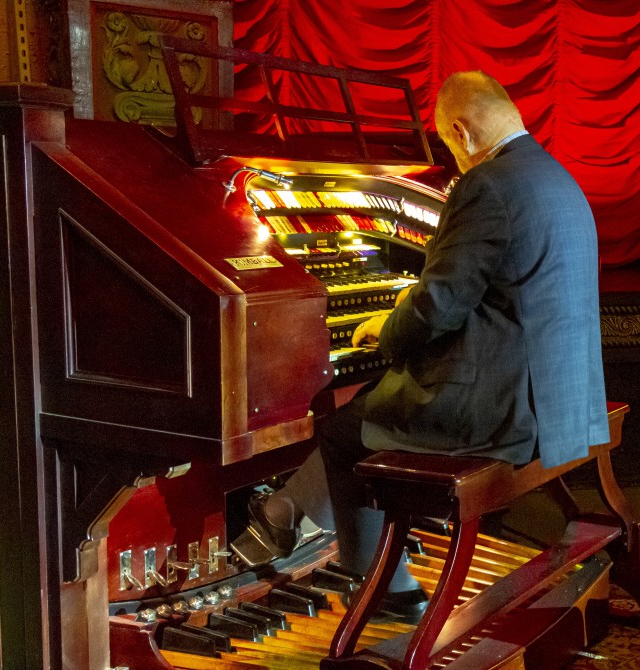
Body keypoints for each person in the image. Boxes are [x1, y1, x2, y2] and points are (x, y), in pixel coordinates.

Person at [231, 71, 610, 622]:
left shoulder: (487, 185)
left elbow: (436, 306)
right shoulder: (552, 175)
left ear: (461, 130)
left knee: (343, 430)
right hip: (556, 397)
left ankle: (382, 588)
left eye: (450, 146)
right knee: (373, 405)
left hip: (500, 411)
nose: (454, 159)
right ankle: (287, 512)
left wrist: (384, 329)